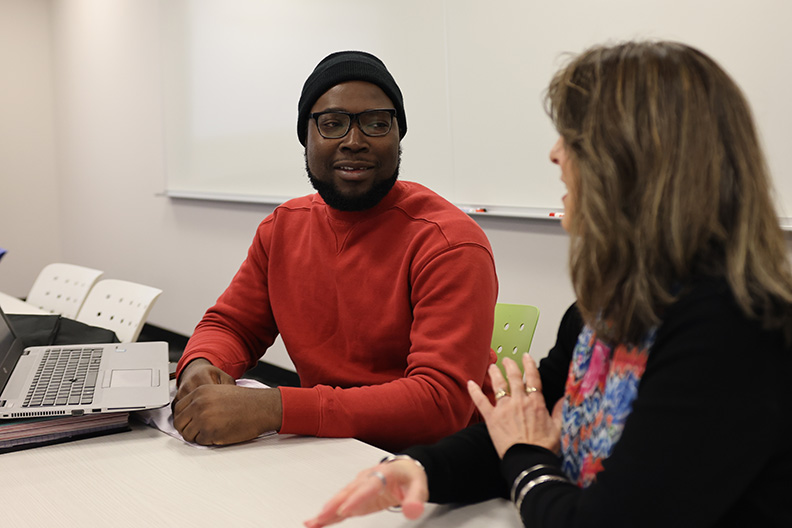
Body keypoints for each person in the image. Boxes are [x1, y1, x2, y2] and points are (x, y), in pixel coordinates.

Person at [304, 41, 792, 527]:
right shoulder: (604, 310)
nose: (555, 154)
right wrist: (417, 468)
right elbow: (511, 426)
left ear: (639, 162)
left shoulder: (733, 326)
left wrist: (525, 456)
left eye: (573, 138)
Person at [172, 51, 498, 452]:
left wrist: (274, 408)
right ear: (305, 138)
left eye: (377, 124)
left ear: (398, 137)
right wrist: (200, 366)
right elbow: (232, 326)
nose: (355, 141)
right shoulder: (282, 229)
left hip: (445, 463)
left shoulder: (448, 243)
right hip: (334, 446)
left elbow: (439, 404)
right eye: (332, 124)